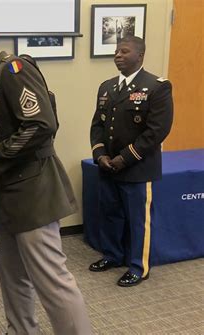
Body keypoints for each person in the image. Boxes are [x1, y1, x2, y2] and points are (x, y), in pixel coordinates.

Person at [0, 22, 92, 335]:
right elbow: (4, 141)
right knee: (13, 279)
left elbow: (40, 126)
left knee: (53, 282)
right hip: (11, 197)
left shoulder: (14, 69)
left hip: (33, 194)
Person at [89, 36, 173, 287]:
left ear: (140, 56)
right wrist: (100, 155)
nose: (118, 55)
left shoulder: (157, 87)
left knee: (138, 221)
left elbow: (157, 131)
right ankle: (113, 256)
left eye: (124, 51)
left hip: (137, 168)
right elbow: (98, 126)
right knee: (111, 215)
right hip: (109, 167)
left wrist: (124, 159)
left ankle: (139, 266)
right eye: (116, 51)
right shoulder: (106, 87)